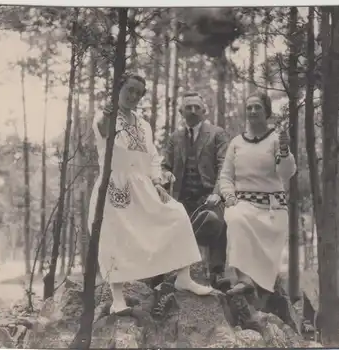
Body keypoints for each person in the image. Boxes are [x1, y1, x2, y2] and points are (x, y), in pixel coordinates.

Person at [88, 74, 214, 315]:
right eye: (129, 90)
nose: (133, 96)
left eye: (138, 92)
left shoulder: (144, 125)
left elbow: (153, 157)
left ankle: (183, 277)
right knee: (116, 235)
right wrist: (107, 112)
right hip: (115, 184)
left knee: (176, 213)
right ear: (119, 89)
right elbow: (103, 129)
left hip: (143, 184)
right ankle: (117, 299)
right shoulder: (106, 117)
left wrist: (157, 183)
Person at [218, 91, 297, 303]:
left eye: (258, 107)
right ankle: (243, 280)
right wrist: (229, 196)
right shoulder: (236, 143)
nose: (253, 111)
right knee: (234, 218)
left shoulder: (275, 139)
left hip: (271, 209)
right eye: (250, 107)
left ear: (267, 112)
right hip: (243, 205)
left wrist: (284, 149)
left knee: (263, 246)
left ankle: (262, 290)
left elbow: (286, 173)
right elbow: (225, 176)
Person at [158, 91, 230, 289]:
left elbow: (225, 166)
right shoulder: (175, 138)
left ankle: (217, 272)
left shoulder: (217, 134)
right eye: (188, 107)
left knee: (218, 221)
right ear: (181, 111)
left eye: (196, 107)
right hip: (182, 198)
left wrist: (217, 192)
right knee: (165, 223)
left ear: (204, 111)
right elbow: (165, 165)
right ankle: (164, 274)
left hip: (209, 196)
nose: (192, 111)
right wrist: (165, 177)